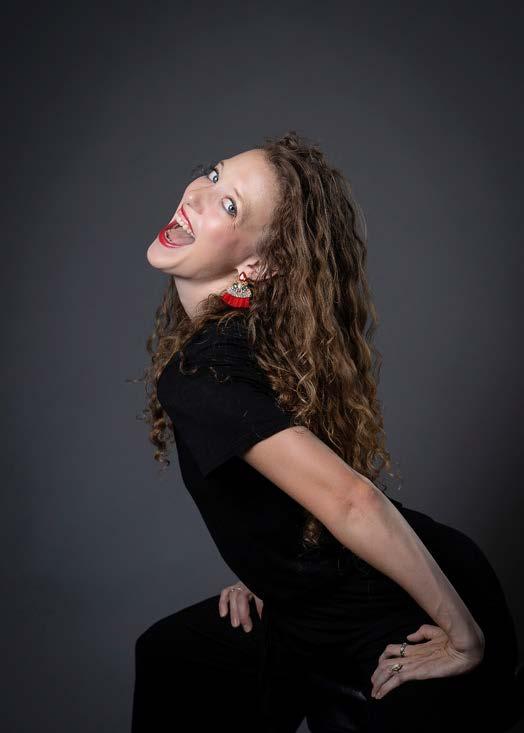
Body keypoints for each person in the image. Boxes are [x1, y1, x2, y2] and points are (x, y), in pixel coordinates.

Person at [131, 131, 519, 732]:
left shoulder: (203, 374)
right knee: (174, 655)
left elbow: (351, 498)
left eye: (229, 205)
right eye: (213, 174)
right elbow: (287, 488)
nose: (198, 195)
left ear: (256, 266)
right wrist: (267, 572)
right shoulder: (246, 342)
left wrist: (462, 634)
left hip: (406, 609)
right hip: (315, 610)